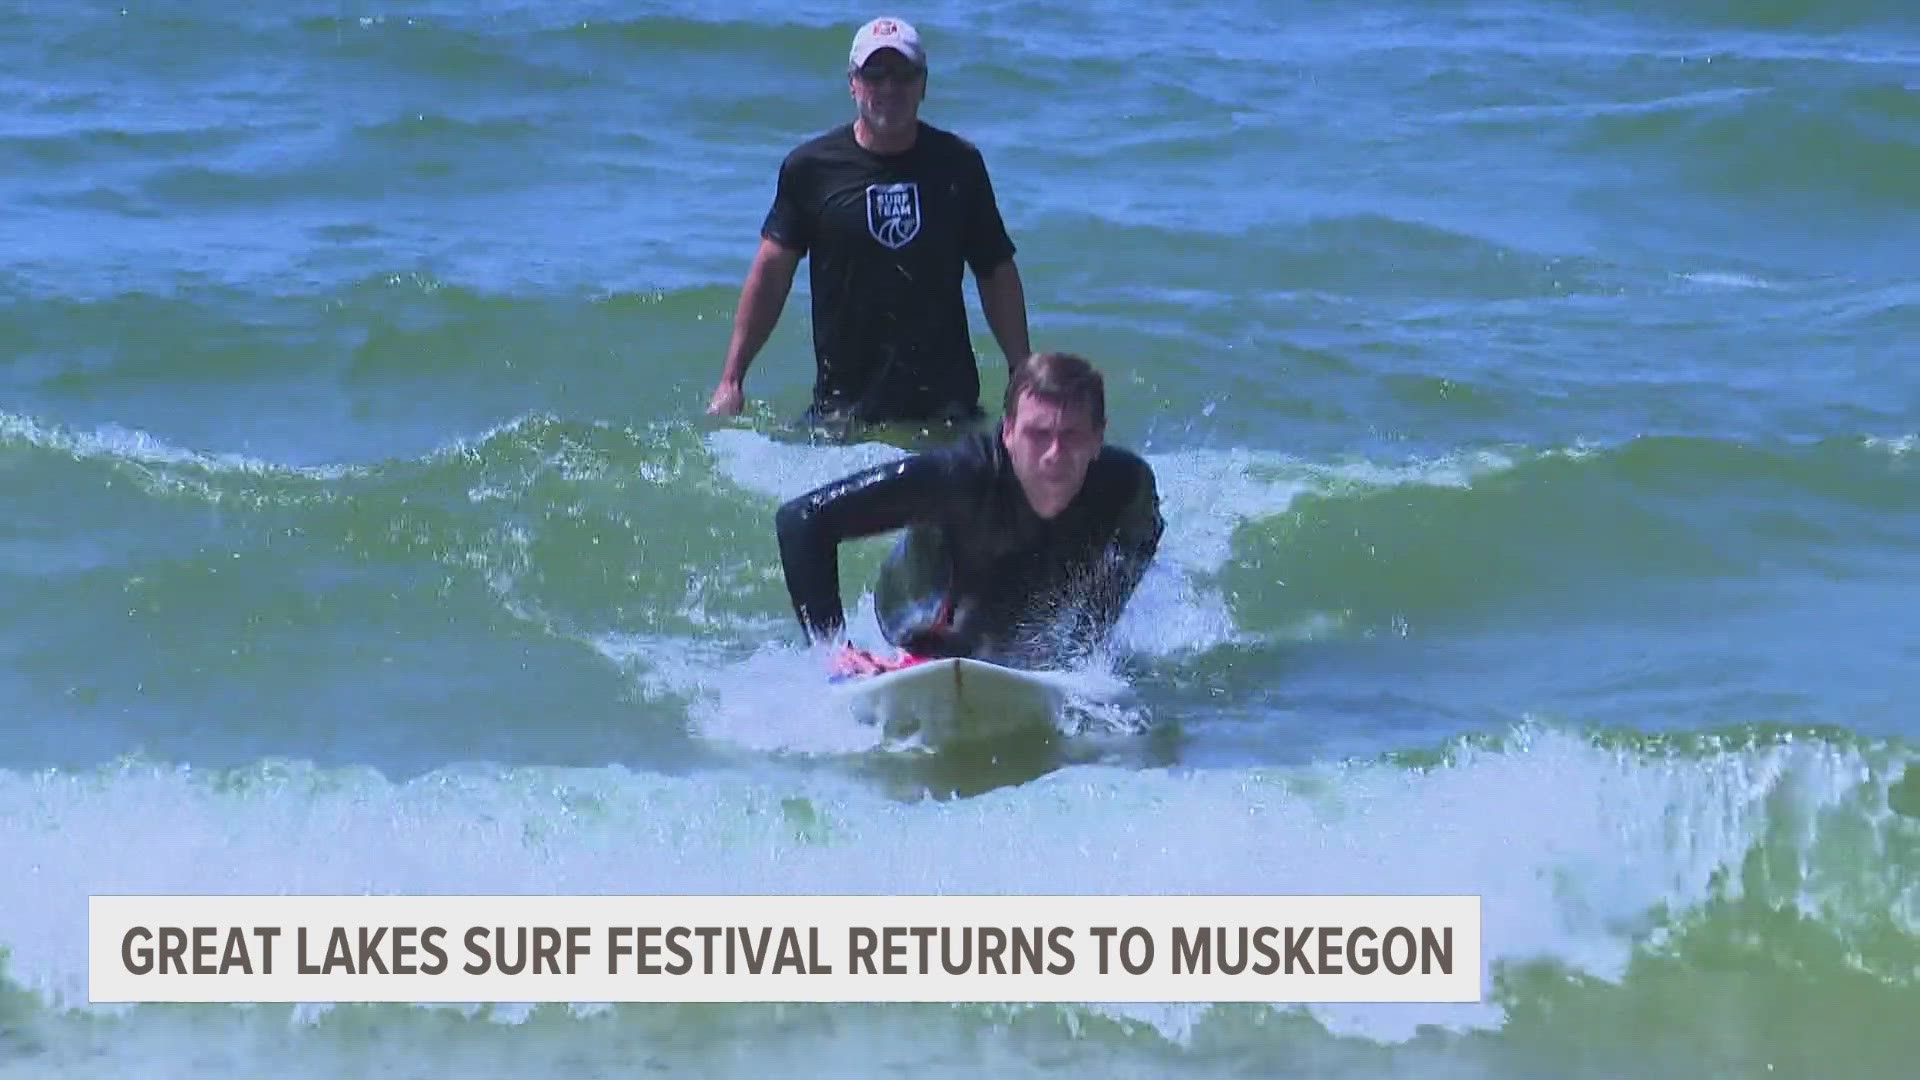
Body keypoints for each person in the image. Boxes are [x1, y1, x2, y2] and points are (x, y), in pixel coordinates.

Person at [707, 16, 1032, 432]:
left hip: (947, 406)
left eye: (904, 75)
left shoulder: (959, 164)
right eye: (875, 74)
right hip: (843, 408)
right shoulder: (811, 167)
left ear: (924, 84)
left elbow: (995, 269)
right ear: (852, 82)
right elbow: (771, 272)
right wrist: (732, 379)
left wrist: (1021, 370)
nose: (889, 88)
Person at [775, 351, 1163, 673]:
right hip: (918, 613)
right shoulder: (959, 476)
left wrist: (1086, 641)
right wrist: (833, 648)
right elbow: (802, 520)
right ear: (1007, 432)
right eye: (1038, 434)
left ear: (1099, 437)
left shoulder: (1126, 485)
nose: (1054, 455)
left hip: (1017, 603)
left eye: (1072, 435)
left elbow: (1140, 543)